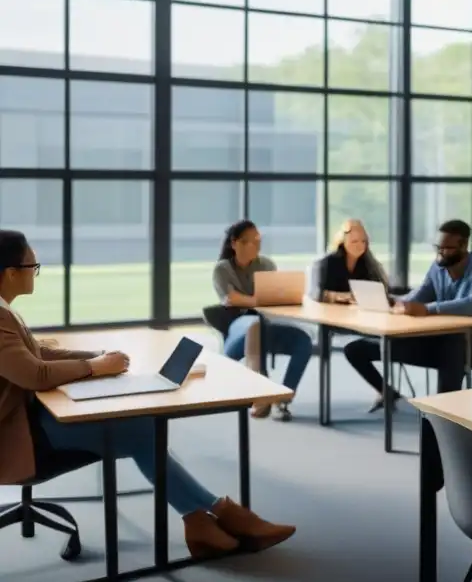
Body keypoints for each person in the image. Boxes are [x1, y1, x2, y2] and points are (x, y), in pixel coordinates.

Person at [0, 229, 295, 558]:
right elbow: (34, 373)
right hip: (15, 436)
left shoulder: (5, 311)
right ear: (11, 273)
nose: (37, 274)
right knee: (141, 429)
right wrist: (96, 368)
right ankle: (216, 514)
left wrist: (97, 357)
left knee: (142, 427)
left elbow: (37, 353)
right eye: (33, 267)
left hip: (27, 418)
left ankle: (200, 521)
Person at [343, 219, 472, 411]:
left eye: (446, 248)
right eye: (437, 247)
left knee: (453, 345)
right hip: (435, 339)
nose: (440, 252)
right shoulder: (438, 267)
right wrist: (394, 301)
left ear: (464, 245)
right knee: (355, 349)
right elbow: (419, 296)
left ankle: (445, 414)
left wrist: (428, 309)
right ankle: (388, 393)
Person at [212, 220, 313, 422]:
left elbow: (273, 297)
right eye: (249, 241)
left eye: (258, 240)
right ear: (235, 243)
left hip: (266, 325)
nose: (256, 245)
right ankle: (259, 387)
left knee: (303, 340)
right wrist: (260, 300)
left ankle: (282, 398)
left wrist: (278, 299)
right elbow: (232, 299)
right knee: (253, 324)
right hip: (238, 329)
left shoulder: (266, 264)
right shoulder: (222, 269)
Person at [307, 219, 389, 303]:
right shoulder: (325, 263)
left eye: (363, 241)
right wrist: (346, 297)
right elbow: (315, 293)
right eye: (354, 241)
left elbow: (383, 292)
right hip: (330, 312)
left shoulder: (370, 264)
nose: (359, 245)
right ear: (343, 242)